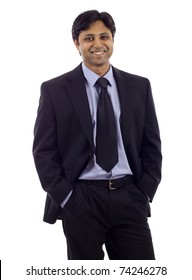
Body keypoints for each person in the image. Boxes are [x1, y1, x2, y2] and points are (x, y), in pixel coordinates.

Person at [33, 10, 162, 260]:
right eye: (89, 38)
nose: (98, 44)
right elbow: (43, 151)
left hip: (129, 197)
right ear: (77, 43)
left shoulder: (139, 86)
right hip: (81, 200)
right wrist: (67, 197)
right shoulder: (54, 90)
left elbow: (151, 144)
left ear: (112, 40)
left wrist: (145, 190)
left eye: (104, 36)